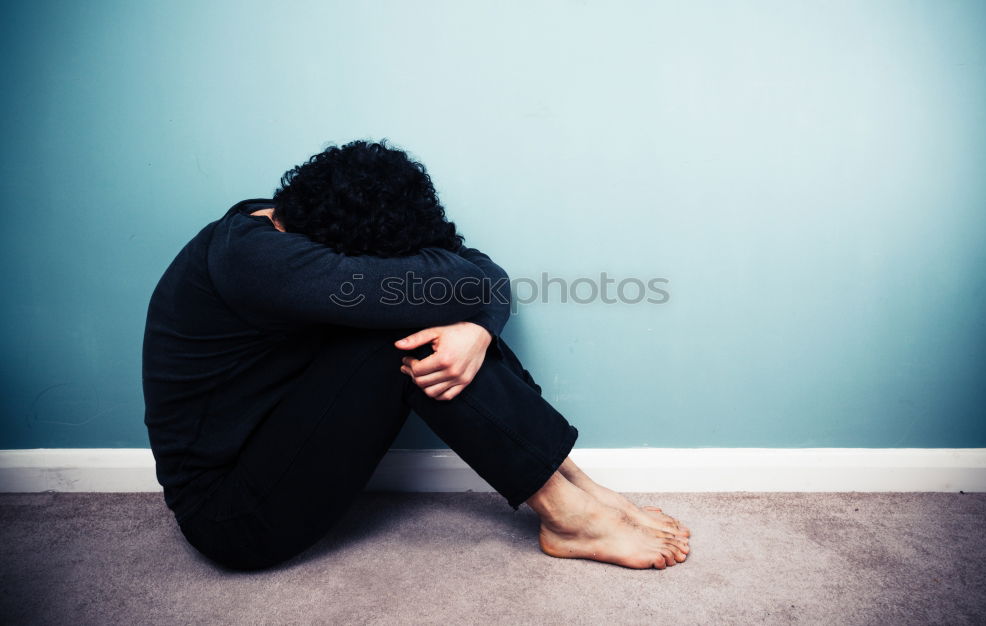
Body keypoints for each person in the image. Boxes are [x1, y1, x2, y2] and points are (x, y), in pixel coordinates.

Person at [142, 140, 691, 571]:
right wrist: (471, 313)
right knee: (403, 336)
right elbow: (472, 282)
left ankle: (578, 489)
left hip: (277, 445)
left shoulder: (295, 222)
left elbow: (479, 273)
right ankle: (567, 515)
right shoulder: (264, 263)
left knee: (438, 323)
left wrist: (476, 332)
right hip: (231, 514)